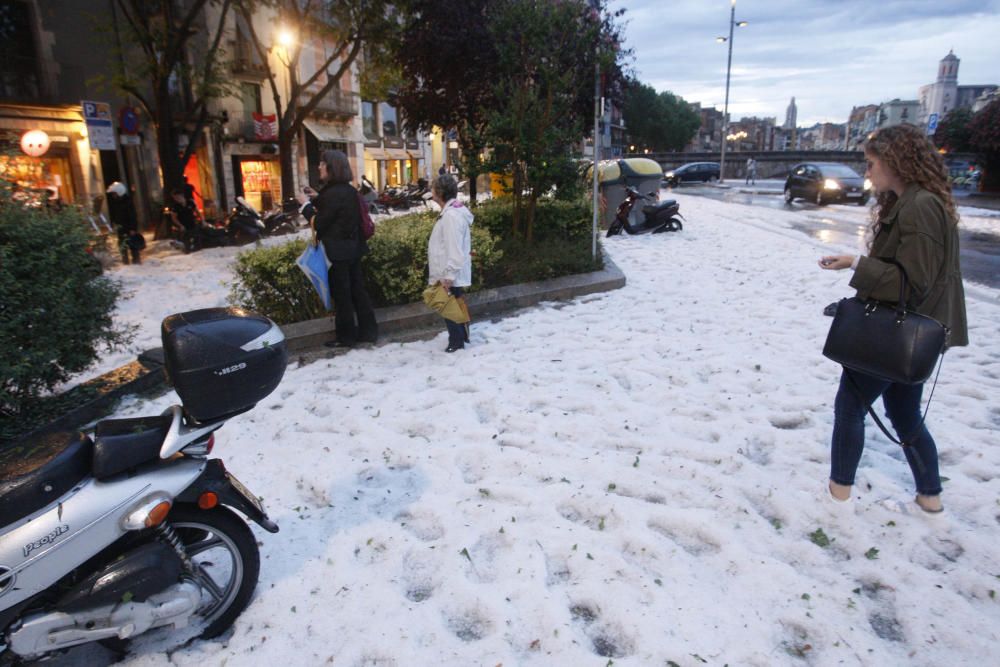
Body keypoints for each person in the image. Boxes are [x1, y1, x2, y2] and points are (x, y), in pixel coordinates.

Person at [818, 124, 968, 514]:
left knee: (850, 405)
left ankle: (838, 498)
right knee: (903, 412)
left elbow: (913, 282)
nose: (866, 172)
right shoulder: (916, 201)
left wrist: (857, 264)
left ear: (896, 161)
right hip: (912, 329)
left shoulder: (919, 206)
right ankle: (929, 496)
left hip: (900, 330)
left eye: (871, 163)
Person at [307, 149, 378, 348]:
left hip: (337, 253)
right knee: (358, 291)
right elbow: (336, 210)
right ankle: (368, 332)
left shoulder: (332, 194)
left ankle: (346, 337)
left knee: (342, 295)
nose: (319, 167)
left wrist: (305, 207)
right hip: (354, 249)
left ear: (332, 167)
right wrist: (317, 197)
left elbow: (320, 222)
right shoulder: (349, 190)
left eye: (322, 163)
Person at [427, 173, 473, 352]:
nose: (431, 191)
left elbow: (454, 250)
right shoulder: (452, 212)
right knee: (455, 302)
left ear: (439, 192)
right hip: (448, 269)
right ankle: (460, 337)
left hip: (449, 270)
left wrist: (448, 276)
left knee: (449, 305)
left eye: (433, 188)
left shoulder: (451, 216)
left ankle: (456, 342)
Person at [106, 181, 142, 264]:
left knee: (133, 245)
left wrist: (133, 228)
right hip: (121, 227)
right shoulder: (116, 202)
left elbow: (133, 216)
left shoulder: (128, 202)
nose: (113, 195)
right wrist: (114, 223)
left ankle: (136, 261)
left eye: (114, 193)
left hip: (129, 227)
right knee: (122, 245)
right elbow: (115, 214)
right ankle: (125, 261)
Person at [168, 187, 201, 253]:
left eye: (177, 197)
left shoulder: (190, 202)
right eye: (175, 198)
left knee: (197, 240)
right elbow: (174, 218)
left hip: (192, 223)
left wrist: (202, 220)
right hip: (183, 225)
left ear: (182, 196)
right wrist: (180, 225)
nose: (176, 199)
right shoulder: (175, 207)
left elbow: (197, 212)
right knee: (187, 244)